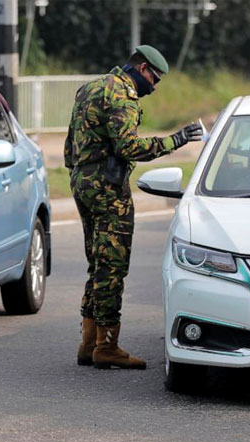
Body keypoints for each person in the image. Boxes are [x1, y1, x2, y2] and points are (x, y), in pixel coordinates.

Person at [65, 45, 202, 370]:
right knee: (112, 267)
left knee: (97, 263)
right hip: (108, 190)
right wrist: (176, 140)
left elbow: (71, 143)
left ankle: (89, 342)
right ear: (141, 69)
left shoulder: (91, 88)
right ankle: (107, 347)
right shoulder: (122, 96)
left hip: (82, 183)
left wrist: (82, 174)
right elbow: (129, 146)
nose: (153, 88)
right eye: (154, 79)